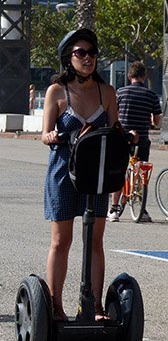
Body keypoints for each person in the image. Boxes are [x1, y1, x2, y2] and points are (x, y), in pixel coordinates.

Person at [41, 28, 135, 322]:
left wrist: (127, 135)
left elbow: (115, 129)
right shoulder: (57, 92)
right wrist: (53, 135)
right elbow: (44, 134)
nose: (88, 58)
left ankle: (94, 307)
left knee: (94, 240)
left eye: (92, 53)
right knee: (61, 240)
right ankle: (55, 306)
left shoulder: (107, 92)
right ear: (69, 58)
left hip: (96, 173)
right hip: (62, 172)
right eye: (81, 53)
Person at [108, 61, 162, 223]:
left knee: (119, 171)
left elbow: (113, 115)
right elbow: (157, 121)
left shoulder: (121, 93)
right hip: (143, 139)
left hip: (123, 138)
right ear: (144, 77)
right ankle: (142, 208)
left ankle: (114, 209)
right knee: (141, 172)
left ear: (129, 76)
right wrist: (151, 122)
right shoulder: (151, 95)